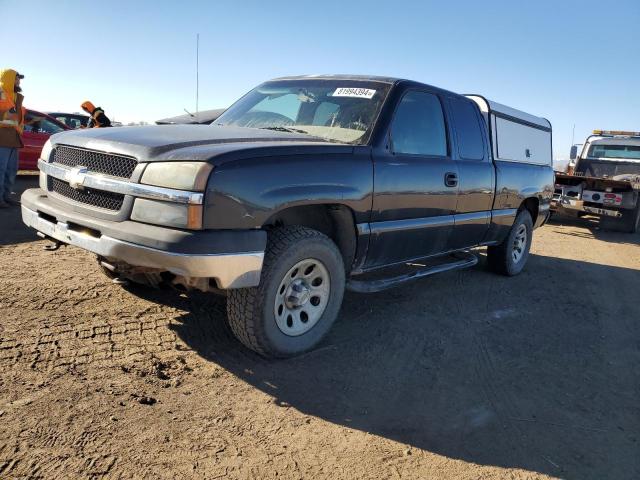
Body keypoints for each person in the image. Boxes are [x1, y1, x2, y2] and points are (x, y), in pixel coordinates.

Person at [0, 69, 25, 208]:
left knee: (11, 171)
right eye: (16, 78)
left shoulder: (17, 97)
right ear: (9, 79)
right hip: (1, 139)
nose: (19, 81)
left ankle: (6, 197)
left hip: (14, 140)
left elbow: (17, 118)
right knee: (0, 170)